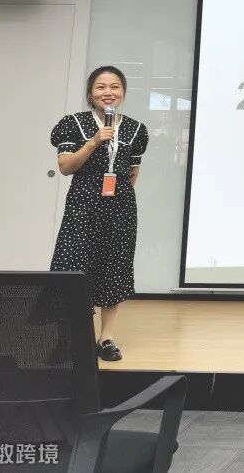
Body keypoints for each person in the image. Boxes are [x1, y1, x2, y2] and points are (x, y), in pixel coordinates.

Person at [49, 66, 148, 362]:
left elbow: (132, 173)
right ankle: (74, 336)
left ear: (124, 92)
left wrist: (115, 194)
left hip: (119, 208)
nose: (108, 92)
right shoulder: (73, 123)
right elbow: (66, 167)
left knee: (113, 266)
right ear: (91, 93)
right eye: (101, 87)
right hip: (83, 205)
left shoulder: (136, 129)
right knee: (74, 266)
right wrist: (94, 142)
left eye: (115, 87)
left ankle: (106, 338)